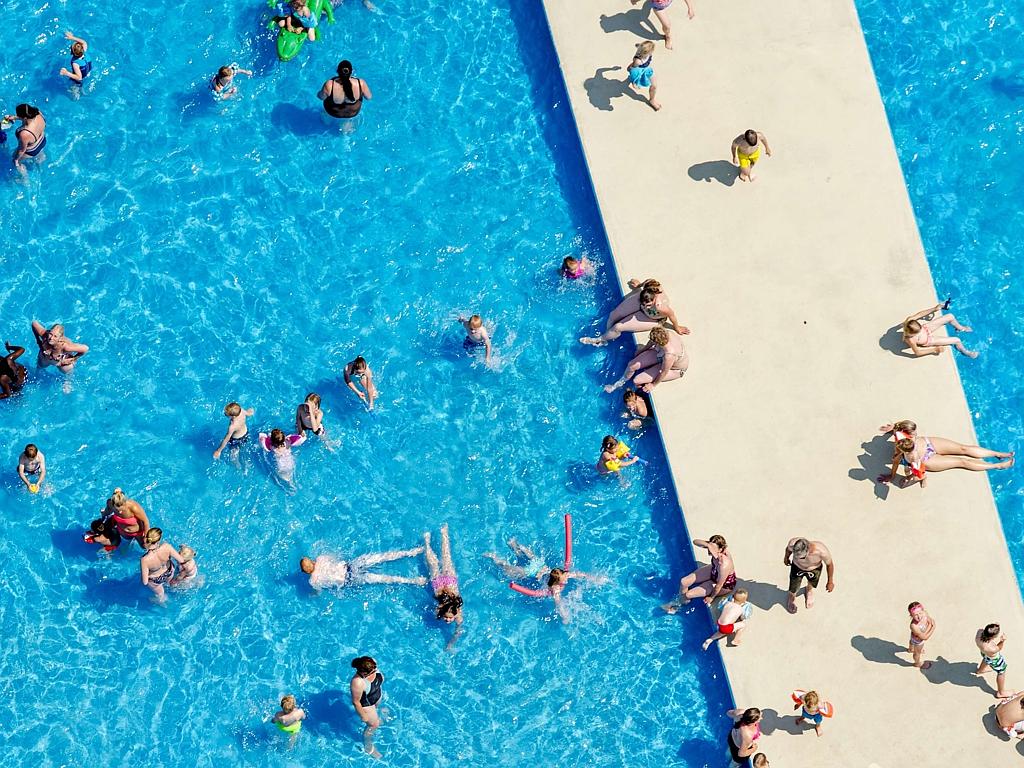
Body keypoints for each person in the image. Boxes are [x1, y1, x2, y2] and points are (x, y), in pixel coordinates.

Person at [880, 431, 1013, 488]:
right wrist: (894, 477)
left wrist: (892, 427)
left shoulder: (902, 437)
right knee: (962, 462)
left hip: (929, 443)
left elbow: (902, 427)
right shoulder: (910, 459)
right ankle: (997, 466)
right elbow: (920, 474)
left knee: (963, 448)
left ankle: (998, 454)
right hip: (928, 459)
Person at [580, 282, 688, 345]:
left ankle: (599, 340)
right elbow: (647, 281)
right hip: (643, 302)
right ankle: (607, 334)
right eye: (644, 304)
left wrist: (677, 327)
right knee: (613, 315)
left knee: (618, 327)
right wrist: (638, 285)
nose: (646, 307)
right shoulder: (649, 286)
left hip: (653, 319)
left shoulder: (661, 307)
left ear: (654, 299)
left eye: (649, 305)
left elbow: (671, 315)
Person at [662, 535, 737, 613]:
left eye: (713, 548)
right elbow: (695, 542)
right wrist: (708, 545)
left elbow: (719, 585)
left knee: (688, 594)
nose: (709, 550)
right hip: (714, 570)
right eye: (709, 547)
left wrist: (711, 598)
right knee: (683, 582)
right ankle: (684, 601)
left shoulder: (724, 565)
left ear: (720, 549)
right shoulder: (714, 550)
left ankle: (675, 605)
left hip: (724, 585)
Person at [604, 327, 688, 394]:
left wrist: (653, 385)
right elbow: (651, 342)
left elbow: (663, 372)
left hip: (674, 369)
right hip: (661, 354)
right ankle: (618, 384)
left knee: (637, 380)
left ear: (659, 343)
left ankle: (635, 393)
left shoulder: (669, 355)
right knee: (632, 365)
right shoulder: (666, 333)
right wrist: (642, 350)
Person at [299, 547, 426, 590]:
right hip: (350, 566)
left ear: (306, 572)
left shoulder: (313, 581)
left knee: (381, 578)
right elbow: (335, 558)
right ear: (313, 561)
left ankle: (414, 581)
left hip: (349, 580)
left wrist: (313, 594)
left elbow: (318, 590)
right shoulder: (321, 558)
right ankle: (411, 552)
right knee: (380, 557)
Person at [424, 524, 464, 649]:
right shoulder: (443, 612)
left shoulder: (457, 615)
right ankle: (428, 541)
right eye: (447, 618)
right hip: (446, 582)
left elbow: (458, 632)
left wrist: (451, 644)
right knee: (444, 558)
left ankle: (440, 535)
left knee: (441, 559)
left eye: (448, 618)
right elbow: (457, 631)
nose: (447, 620)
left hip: (441, 583)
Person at [901, 303, 977, 358]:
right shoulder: (910, 340)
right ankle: (966, 352)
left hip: (927, 328)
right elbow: (917, 352)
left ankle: (960, 328)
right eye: (917, 333)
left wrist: (934, 308)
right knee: (957, 340)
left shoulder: (909, 320)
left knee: (950, 316)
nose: (919, 332)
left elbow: (920, 314)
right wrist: (935, 349)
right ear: (911, 334)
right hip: (928, 340)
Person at [783, 537, 834, 613]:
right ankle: (792, 596)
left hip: (814, 569)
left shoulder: (821, 551)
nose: (798, 558)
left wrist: (830, 581)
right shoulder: (792, 544)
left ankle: (809, 590)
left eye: (802, 557)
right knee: (793, 585)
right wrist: (786, 557)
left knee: (812, 583)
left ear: (808, 551)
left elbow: (829, 564)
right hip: (796, 567)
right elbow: (788, 550)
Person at [350, 656, 384, 759]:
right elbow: (356, 702)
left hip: (375, 695)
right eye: (372, 672)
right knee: (373, 725)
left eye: (375, 669)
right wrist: (363, 715)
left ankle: (375, 715)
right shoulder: (357, 682)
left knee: (377, 719)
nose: (375, 672)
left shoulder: (372, 663)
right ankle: (368, 746)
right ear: (364, 673)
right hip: (367, 704)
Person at [139, 528, 184, 604]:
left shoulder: (144, 560)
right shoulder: (167, 546)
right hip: (169, 571)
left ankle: (165, 608)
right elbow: (181, 560)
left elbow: (145, 582)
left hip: (155, 580)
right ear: (158, 540)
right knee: (170, 584)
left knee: (161, 596)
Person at [630, 0, 694, 49]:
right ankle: (668, 36)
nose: (660, 1)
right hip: (658, 8)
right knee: (667, 25)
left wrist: (690, 8)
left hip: (665, 3)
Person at [485, 537, 552, 582]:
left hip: (540, 564)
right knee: (510, 570)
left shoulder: (555, 573)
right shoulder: (550, 583)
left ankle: (514, 545)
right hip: (531, 572)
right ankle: (495, 558)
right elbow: (539, 577)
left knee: (530, 556)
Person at [976, 622, 1012, 698]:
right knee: (1001, 672)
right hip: (994, 659)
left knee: (986, 658)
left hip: (984, 653)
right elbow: (998, 648)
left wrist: (994, 627)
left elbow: (983, 631)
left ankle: (980, 670)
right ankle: (1001, 692)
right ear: (993, 637)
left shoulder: (979, 633)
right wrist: (1002, 641)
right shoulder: (991, 648)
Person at [6, 104, 46, 169]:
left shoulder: (24, 133)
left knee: (15, 161)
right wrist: (14, 118)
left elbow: (22, 150)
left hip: (32, 150)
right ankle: (40, 163)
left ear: (24, 118)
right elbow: (27, 118)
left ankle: (24, 178)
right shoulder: (38, 113)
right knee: (39, 154)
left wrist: (16, 160)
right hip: (42, 141)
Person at [626, 41, 660, 111]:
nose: (652, 52)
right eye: (651, 51)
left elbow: (638, 45)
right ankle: (629, 68)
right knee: (632, 67)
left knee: (654, 86)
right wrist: (634, 82)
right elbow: (634, 72)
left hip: (647, 69)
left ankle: (652, 100)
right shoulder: (638, 61)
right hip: (641, 70)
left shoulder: (641, 48)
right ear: (646, 53)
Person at [906, 601, 935, 670]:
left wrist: (929, 625)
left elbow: (930, 620)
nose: (919, 616)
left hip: (915, 636)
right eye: (915, 615)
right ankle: (917, 663)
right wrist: (932, 627)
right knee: (917, 653)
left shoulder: (925, 614)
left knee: (911, 642)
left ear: (923, 611)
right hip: (918, 641)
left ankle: (910, 649)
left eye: (920, 613)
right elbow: (924, 637)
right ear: (911, 616)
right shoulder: (914, 626)